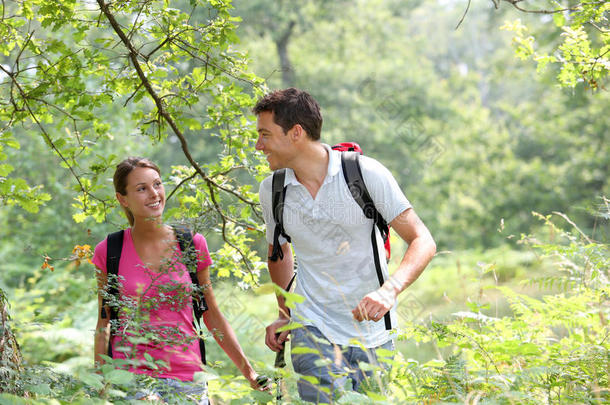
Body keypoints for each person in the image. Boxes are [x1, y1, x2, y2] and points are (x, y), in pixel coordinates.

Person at [254, 88, 436, 403]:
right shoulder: (273, 189)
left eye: (265, 135)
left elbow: (423, 240)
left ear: (296, 133)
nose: (259, 145)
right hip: (311, 327)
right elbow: (279, 251)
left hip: (372, 333)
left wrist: (389, 290)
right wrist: (286, 313)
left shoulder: (364, 173)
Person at [93, 157, 264, 403]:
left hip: (187, 376)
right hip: (131, 376)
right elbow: (104, 322)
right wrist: (101, 383)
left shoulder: (190, 244)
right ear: (123, 199)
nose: (154, 194)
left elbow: (211, 313)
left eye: (157, 184)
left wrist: (249, 371)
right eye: (141, 188)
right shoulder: (109, 250)